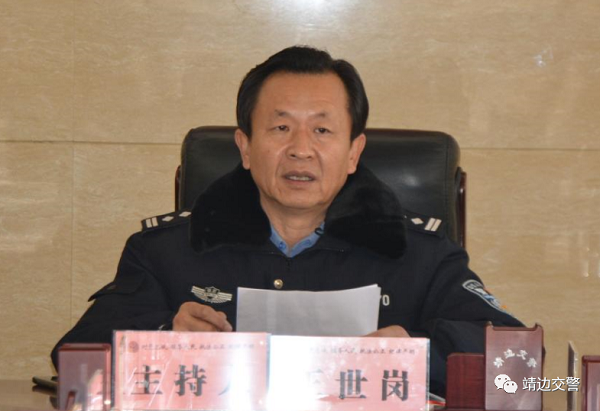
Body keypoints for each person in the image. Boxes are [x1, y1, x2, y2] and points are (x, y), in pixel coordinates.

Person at [52, 46, 522, 395]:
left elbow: (518, 366)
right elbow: (76, 358)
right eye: (280, 128)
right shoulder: (167, 251)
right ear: (244, 147)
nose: (301, 149)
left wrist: (416, 352)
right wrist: (164, 340)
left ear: (354, 152)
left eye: (322, 129)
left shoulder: (419, 254)